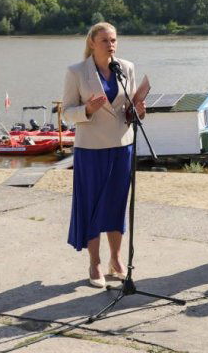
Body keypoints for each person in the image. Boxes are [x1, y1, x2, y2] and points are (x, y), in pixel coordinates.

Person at [62, 22, 146, 287]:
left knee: (117, 203)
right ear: (91, 43)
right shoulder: (76, 72)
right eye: (105, 41)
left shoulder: (126, 68)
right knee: (91, 205)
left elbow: (129, 107)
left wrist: (138, 110)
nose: (111, 45)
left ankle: (116, 259)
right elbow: (66, 112)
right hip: (90, 149)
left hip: (122, 146)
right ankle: (94, 263)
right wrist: (86, 109)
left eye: (114, 40)